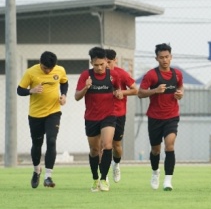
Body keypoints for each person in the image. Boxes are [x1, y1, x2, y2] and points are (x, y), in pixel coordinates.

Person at [75, 47, 124, 192]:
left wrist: (119, 93)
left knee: (107, 145)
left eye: (102, 64)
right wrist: (86, 87)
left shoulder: (113, 75)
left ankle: (104, 179)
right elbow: (77, 97)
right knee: (94, 150)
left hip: (109, 116)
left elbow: (118, 90)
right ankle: (95, 178)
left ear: (106, 63)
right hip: (91, 117)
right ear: (91, 63)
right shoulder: (85, 76)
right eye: (96, 65)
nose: (99, 68)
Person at [17, 51, 68, 188]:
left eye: (50, 69)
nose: (48, 71)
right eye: (45, 68)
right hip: (35, 115)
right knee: (37, 144)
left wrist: (63, 95)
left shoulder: (60, 70)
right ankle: (36, 170)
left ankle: (48, 177)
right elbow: (19, 90)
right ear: (40, 63)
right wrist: (30, 91)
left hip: (53, 112)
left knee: (51, 141)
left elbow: (64, 82)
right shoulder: (30, 72)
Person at [138, 43, 184, 191]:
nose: (165, 60)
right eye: (161, 57)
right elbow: (140, 93)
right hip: (155, 117)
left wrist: (180, 94)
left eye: (167, 57)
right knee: (155, 150)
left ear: (171, 57)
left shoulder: (177, 74)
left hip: (172, 116)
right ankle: (155, 172)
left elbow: (180, 87)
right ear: (156, 58)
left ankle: (168, 181)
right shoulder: (151, 75)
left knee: (170, 145)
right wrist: (155, 90)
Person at [105, 49, 138, 183]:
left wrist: (122, 93)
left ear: (115, 61)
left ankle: (116, 164)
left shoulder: (122, 74)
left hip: (118, 114)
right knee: (104, 144)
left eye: (109, 62)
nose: (106, 65)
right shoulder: (97, 75)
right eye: (103, 62)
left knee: (116, 146)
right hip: (103, 114)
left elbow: (136, 90)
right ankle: (103, 174)